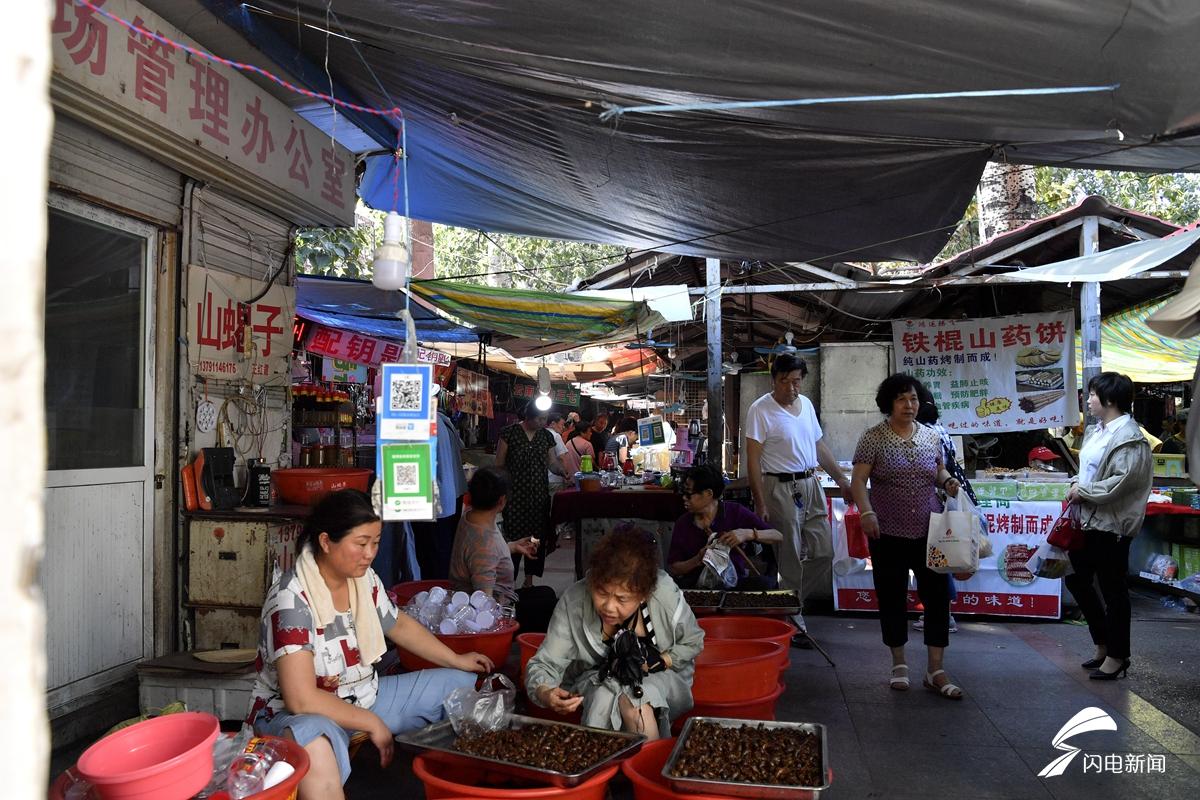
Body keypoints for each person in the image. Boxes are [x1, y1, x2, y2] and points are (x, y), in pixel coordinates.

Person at [246, 490, 491, 799]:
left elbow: (397, 624)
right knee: (314, 745)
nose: (370, 553)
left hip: (363, 695)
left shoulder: (364, 580)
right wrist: (372, 722)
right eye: (361, 544)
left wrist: (456, 660)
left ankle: (463, 789)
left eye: (376, 543)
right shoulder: (291, 600)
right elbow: (301, 699)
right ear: (325, 542)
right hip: (297, 714)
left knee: (463, 688)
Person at [525, 525, 704, 738]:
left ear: (644, 595)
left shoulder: (664, 594)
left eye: (622, 599)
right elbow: (544, 664)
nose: (609, 607)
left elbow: (693, 641)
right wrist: (545, 692)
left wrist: (663, 659)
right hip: (593, 680)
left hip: (660, 677)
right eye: (601, 592)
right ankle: (621, 766)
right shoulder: (575, 600)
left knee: (636, 699)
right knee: (604, 694)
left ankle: (639, 765)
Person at [850, 373, 964, 700]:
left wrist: (947, 482)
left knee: (938, 597)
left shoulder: (931, 437)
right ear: (889, 403)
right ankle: (898, 662)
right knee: (892, 596)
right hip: (886, 530)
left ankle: (935, 670)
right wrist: (867, 512)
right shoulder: (873, 438)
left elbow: (938, 470)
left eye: (913, 399)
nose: (909, 405)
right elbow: (859, 481)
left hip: (930, 533)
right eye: (902, 399)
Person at [744, 353, 851, 647]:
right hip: (778, 486)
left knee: (824, 552)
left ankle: (785, 604)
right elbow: (752, 460)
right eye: (785, 381)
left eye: (796, 382)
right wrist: (759, 501)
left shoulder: (806, 406)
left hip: (810, 484)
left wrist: (841, 478)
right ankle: (793, 617)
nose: (791, 388)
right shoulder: (760, 410)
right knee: (789, 556)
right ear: (773, 380)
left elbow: (818, 446)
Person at [1064, 372, 1153, 680]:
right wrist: (1077, 482)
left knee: (1114, 590)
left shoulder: (1130, 437)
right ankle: (1103, 644)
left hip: (1112, 525)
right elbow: (1089, 471)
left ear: (1110, 400)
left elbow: (1121, 482)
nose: (1087, 400)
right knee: (1076, 578)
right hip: (1088, 522)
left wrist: (1083, 491)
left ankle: (1117, 656)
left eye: (1092, 394)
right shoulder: (1096, 431)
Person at [449, 466, 559, 633]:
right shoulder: (484, 543)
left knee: (547, 594)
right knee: (553, 608)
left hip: (502, 595)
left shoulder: (471, 517)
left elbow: (484, 557)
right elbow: (483, 603)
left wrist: (513, 546)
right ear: (501, 501)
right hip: (496, 613)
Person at [667, 462, 782, 590]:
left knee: (764, 585)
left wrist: (747, 534)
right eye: (683, 493)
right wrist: (698, 560)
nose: (684, 498)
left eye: (689, 494)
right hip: (696, 586)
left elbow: (777, 536)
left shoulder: (735, 512)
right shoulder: (683, 523)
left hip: (734, 583)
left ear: (708, 494)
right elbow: (674, 568)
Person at [496, 401, 567, 588]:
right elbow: (499, 465)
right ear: (529, 417)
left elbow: (552, 463)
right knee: (513, 537)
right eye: (540, 419)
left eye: (545, 419)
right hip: (514, 498)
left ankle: (529, 580)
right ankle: (508, 582)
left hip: (538, 498)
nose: (544, 422)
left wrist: (562, 471)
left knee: (536, 539)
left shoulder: (545, 436)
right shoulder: (509, 433)